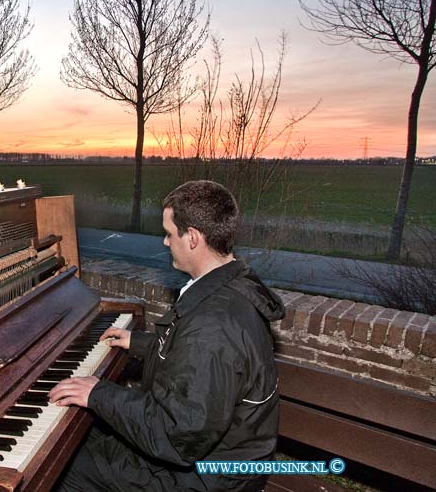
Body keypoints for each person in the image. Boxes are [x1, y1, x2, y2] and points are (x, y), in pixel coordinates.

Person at [49, 180, 285, 491]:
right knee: (85, 437)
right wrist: (142, 343)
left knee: (62, 466)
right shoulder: (230, 283)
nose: (164, 242)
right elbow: (203, 364)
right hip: (215, 458)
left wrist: (98, 393)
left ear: (193, 238)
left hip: (205, 479)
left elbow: (176, 434)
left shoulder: (213, 325)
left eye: (169, 233)